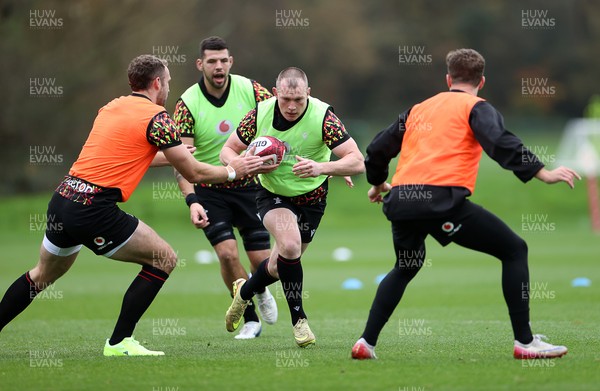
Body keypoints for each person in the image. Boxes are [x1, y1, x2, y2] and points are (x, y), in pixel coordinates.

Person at [0, 54, 264, 356]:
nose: (167, 88)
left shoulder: (112, 106)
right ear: (156, 83)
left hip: (64, 199)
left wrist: (177, 156)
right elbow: (194, 173)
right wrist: (235, 170)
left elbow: (130, 155)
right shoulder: (158, 117)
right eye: (167, 82)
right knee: (164, 258)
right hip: (94, 209)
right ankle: (119, 342)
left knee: (40, 276)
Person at [351, 48, 581, 360]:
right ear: (482, 81)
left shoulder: (418, 109)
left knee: (406, 266)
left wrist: (378, 183)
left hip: (402, 199)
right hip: (439, 201)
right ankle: (525, 343)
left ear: (448, 79)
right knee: (514, 250)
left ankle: (366, 342)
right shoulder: (476, 107)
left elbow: (377, 148)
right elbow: (500, 142)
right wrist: (543, 172)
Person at [221, 67, 365, 347]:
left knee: (277, 266)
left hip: (312, 199)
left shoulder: (324, 117)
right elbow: (227, 150)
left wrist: (324, 167)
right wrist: (241, 166)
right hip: (271, 194)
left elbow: (357, 161)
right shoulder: (259, 114)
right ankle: (299, 321)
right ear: (275, 94)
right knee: (289, 246)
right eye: (286, 99)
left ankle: (245, 290)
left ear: (308, 94)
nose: (291, 106)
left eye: (298, 99)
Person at [173, 36, 278, 339]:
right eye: (211, 61)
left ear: (230, 62)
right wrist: (192, 200)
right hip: (209, 188)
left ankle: (258, 290)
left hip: (250, 187)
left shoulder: (252, 90)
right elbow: (183, 161)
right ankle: (250, 319)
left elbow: (282, 120)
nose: (218, 67)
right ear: (200, 64)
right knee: (228, 255)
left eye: (223, 61)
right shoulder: (187, 103)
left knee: (262, 261)